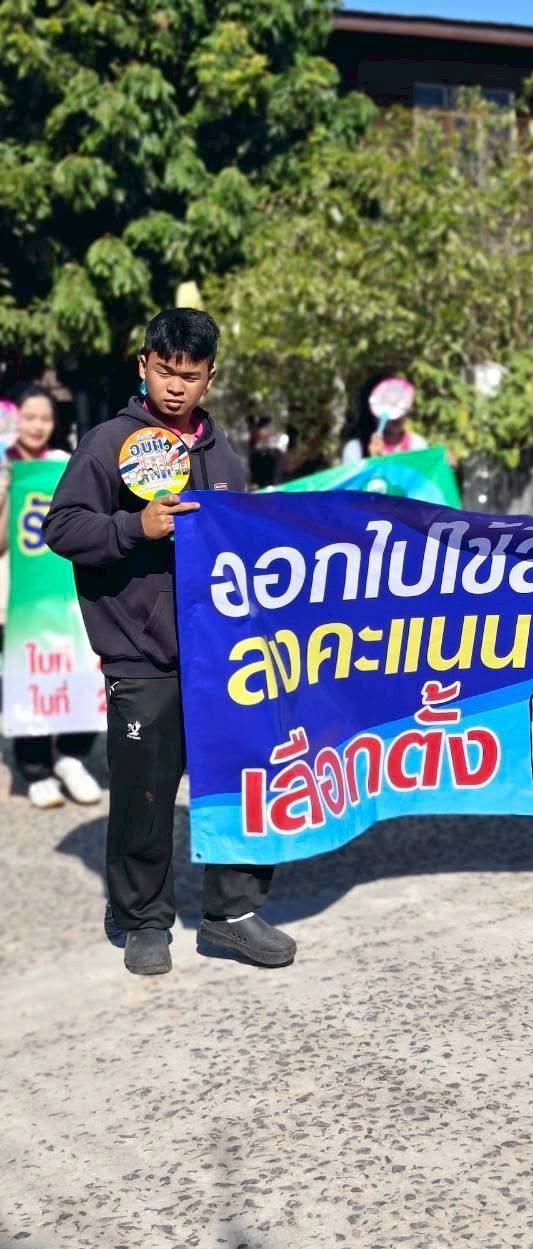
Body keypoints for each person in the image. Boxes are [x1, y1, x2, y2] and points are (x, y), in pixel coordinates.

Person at [43, 309, 296, 977]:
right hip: (141, 656)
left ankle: (231, 914)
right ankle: (142, 919)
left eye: (190, 375)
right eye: (165, 371)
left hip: (224, 656)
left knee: (243, 779)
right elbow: (62, 528)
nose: (176, 386)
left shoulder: (221, 451)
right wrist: (136, 527)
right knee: (145, 797)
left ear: (210, 378)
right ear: (143, 367)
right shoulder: (108, 443)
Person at [0, 385, 100, 808]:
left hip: (67, 594)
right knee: (31, 675)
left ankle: (72, 758)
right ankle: (36, 768)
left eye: (45, 418)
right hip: (21, 596)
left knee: (79, 671)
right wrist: (6, 489)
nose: (37, 426)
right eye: (29, 417)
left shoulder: (63, 464)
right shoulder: (5, 467)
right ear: (12, 419)